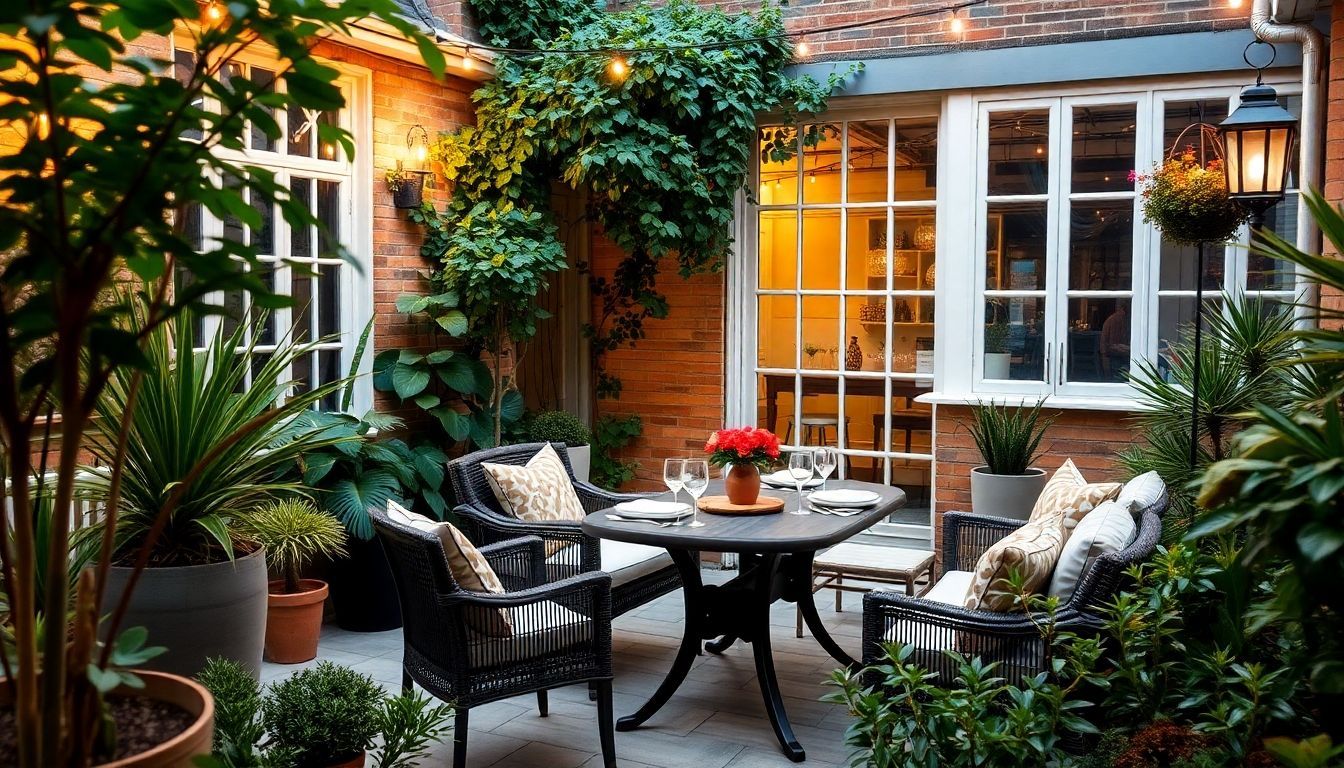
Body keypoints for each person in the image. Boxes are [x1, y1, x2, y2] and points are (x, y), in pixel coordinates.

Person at [1100, 303, 1130, 380]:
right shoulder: (1117, 320)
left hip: (1112, 352)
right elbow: (1114, 344)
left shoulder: (1116, 319)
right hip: (1112, 354)